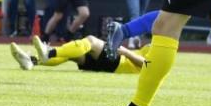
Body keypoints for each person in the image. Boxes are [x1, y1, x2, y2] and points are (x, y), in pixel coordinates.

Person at [10, 35, 145, 74]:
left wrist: (127, 52)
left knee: (91, 41)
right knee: (72, 53)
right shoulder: (158, 43)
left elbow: (148, 65)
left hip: (120, 63)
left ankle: (49, 52)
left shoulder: (162, 48)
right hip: (116, 64)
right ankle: (32, 61)